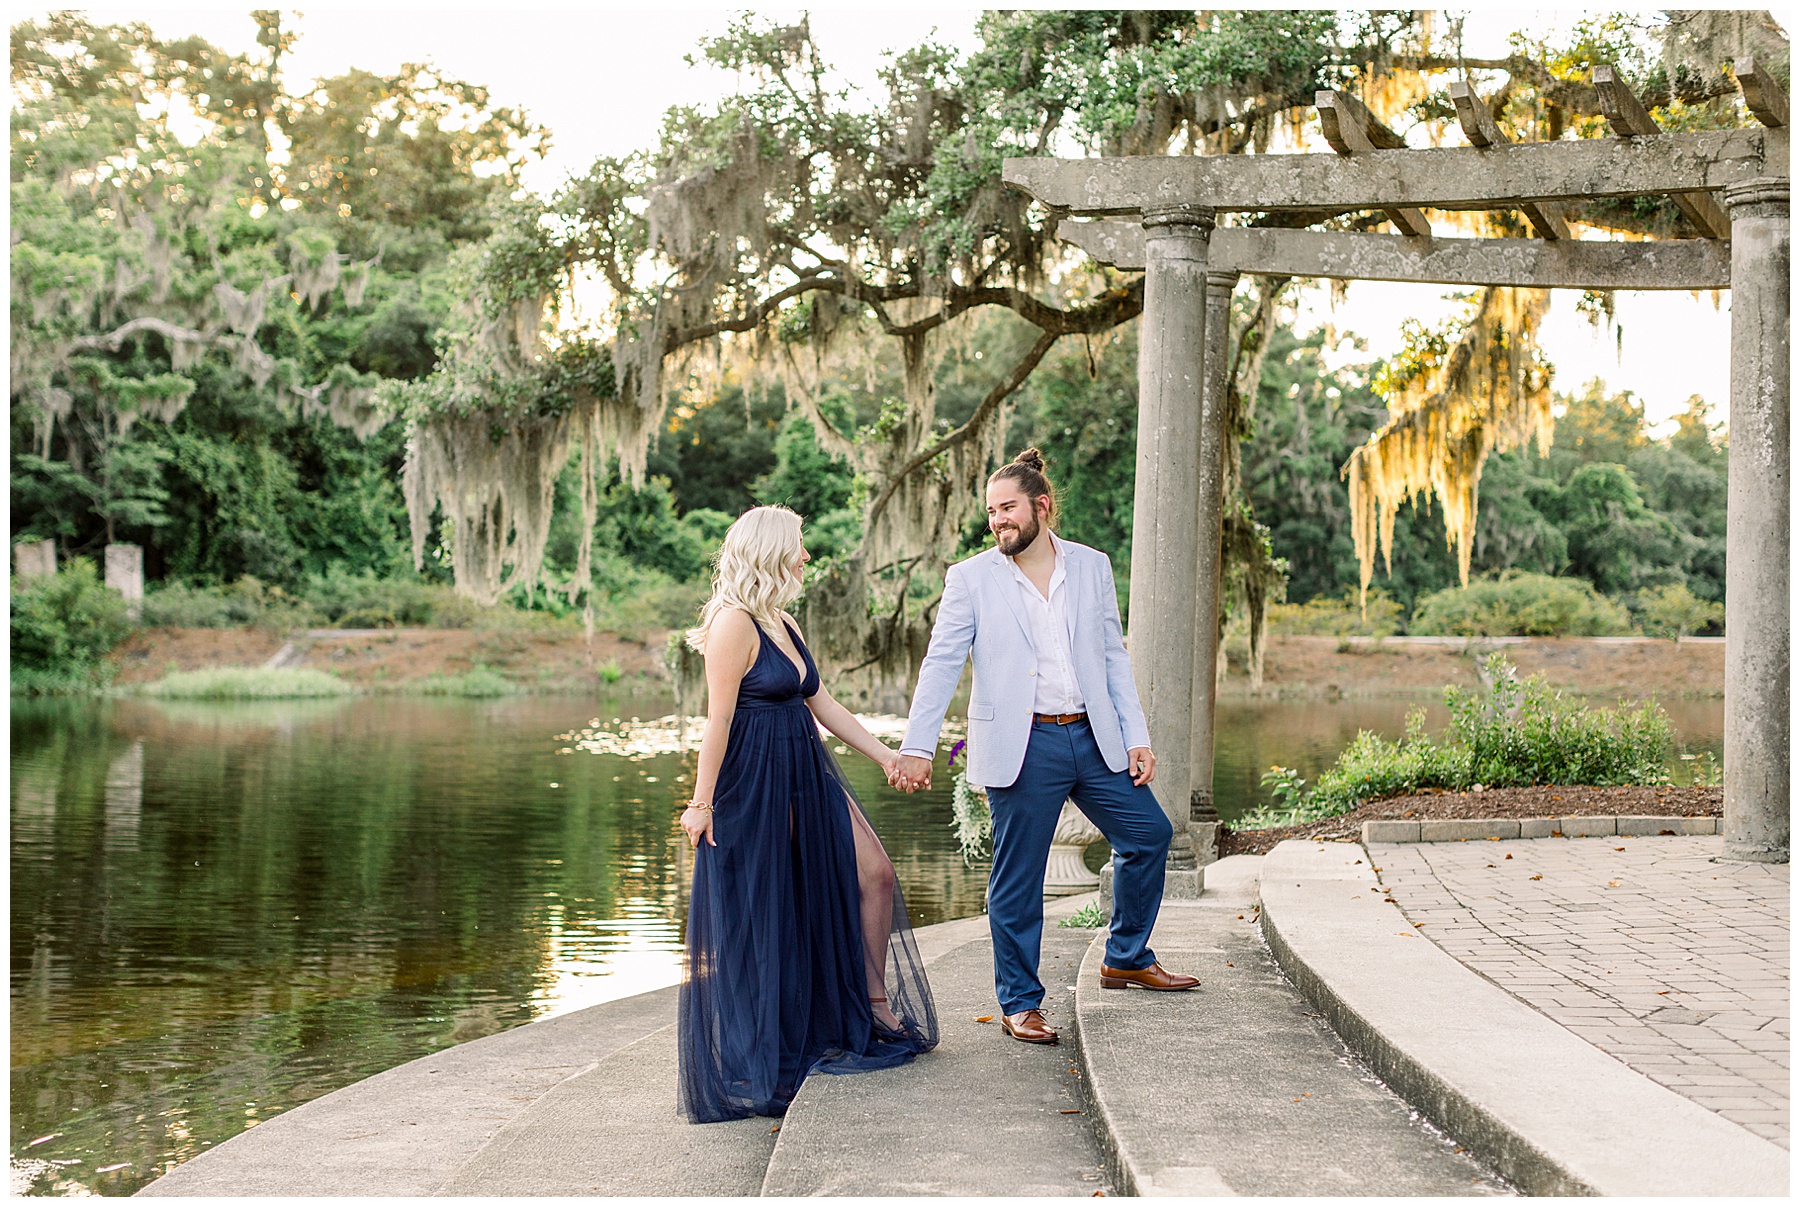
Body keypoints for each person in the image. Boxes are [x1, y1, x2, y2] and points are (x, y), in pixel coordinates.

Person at [891, 449, 1198, 1045]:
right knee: (1018, 877)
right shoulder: (971, 578)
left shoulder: (1091, 567)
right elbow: (941, 664)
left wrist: (1136, 734)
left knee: (1149, 835)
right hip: (1021, 742)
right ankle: (1020, 1003)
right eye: (990, 511)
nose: (996, 520)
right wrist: (917, 746)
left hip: (1093, 733)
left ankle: (1126, 956)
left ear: (1042, 506)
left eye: (1007, 508)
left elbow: (1112, 655)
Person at [676, 505, 937, 1123]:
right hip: (755, 782)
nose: (807, 556)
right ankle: (773, 1043)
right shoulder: (732, 624)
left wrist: (884, 756)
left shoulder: (782, 621)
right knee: (774, 905)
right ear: (771, 552)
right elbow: (717, 721)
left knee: (874, 873)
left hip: (805, 771)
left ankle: (872, 1002)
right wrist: (700, 802)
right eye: (800, 546)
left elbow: (823, 704)